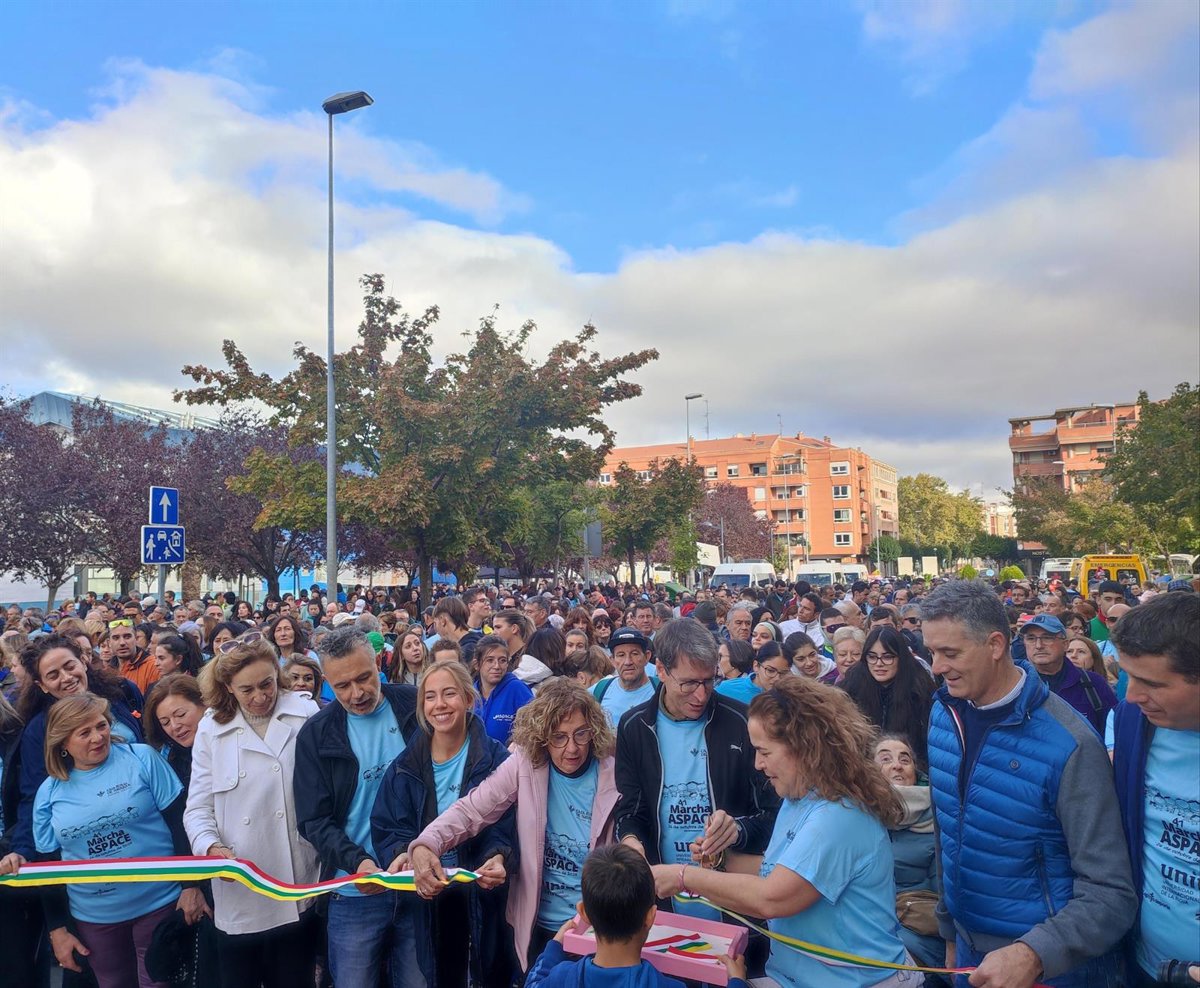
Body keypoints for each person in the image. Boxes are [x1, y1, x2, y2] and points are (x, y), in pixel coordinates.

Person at [921, 581, 1136, 988]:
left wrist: (1034, 953)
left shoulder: (1070, 743)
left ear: (996, 644)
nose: (936, 667)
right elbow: (946, 829)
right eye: (932, 651)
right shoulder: (942, 713)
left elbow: (1111, 892)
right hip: (969, 952)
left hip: (1050, 967)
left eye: (950, 653)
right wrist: (950, 930)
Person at [649, 677, 920, 988]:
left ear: (804, 748)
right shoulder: (799, 799)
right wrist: (719, 858)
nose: (758, 763)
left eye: (764, 751)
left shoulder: (839, 816)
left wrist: (684, 876)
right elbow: (777, 870)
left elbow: (772, 897)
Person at [410, 679, 620, 969]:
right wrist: (427, 843)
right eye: (558, 737)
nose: (572, 748)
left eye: (580, 734)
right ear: (542, 737)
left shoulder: (613, 768)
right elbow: (472, 810)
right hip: (540, 924)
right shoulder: (525, 763)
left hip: (602, 924)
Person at [0, 694, 208, 988]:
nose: (98, 737)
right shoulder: (48, 793)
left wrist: (191, 886)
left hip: (160, 903)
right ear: (63, 744)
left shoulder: (142, 758)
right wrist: (57, 928)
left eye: (101, 726)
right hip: (95, 918)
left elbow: (179, 824)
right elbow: (50, 865)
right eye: (84, 733)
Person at [614, 619, 779, 921]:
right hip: (662, 902)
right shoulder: (633, 726)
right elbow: (630, 809)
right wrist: (631, 842)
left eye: (708, 681)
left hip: (737, 906)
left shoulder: (742, 723)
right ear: (661, 670)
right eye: (689, 683)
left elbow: (774, 814)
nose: (701, 696)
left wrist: (737, 831)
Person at [183, 637, 321, 988]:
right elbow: (197, 807)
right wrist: (211, 850)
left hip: (293, 882)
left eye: (267, 684)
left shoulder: (305, 713)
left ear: (278, 674)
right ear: (228, 686)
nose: (260, 697)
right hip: (240, 886)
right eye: (247, 689)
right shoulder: (211, 728)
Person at [370, 660, 513, 988]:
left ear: (467, 699)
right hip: (429, 893)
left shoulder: (495, 758)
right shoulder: (406, 764)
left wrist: (499, 854)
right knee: (439, 970)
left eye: (449, 694)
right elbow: (388, 822)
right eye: (430, 697)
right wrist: (399, 853)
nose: (440, 705)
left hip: (482, 889)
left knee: (489, 970)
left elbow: (506, 819)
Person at [293, 626, 422, 988]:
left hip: (416, 881)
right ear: (326, 683)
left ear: (380, 662)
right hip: (354, 890)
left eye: (364, 678)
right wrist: (357, 862)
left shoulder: (415, 706)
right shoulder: (317, 734)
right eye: (342, 686)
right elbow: (313, 820)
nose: (357, 693)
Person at [1108, 593, 1200, 988]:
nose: (1130, 696)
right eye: (1129, 677)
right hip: (1147, 966)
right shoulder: (1133, 720)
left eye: (1150, 683)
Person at [525, 844, 748, 988]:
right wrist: (737, 981)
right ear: (651, 916)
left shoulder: (563, 978)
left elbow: (533, 983)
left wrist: (555, 946)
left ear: (584, 913)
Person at [874, 735, 946, 982]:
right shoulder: (856, 814)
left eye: (905, 759)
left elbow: (945, 896)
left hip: (916, 935)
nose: (897, 765)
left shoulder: (937, 820)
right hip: (867, 927)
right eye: (886, 759)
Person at [842, 627, 936, 766]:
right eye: (872, 657)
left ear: (901, 657)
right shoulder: (852, 685)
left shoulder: (920, 688)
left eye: (887, 657)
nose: (879, 664)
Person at [1019, 614, 1116, 736]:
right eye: (1031, 638)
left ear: (1065, 644)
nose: (1038, 645)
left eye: (1047, 638)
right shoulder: (1015, 685)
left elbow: (1113, 732)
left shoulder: (1092, 684)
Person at [144, 673, 206, 790]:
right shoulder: (168, 760)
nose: (174, 726)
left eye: (180, 715)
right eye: (165, 722)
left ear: (204, 703)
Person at [474, 633, 535, 745]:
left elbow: (534, 729)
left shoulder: (517, 689)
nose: (497, 666)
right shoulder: (470, 694)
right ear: (477, 664)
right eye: (490, 660)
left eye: (502, 660)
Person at [592, 628, 656, 728]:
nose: (628, 662)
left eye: (634, 654)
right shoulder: (601, 689)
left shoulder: (661, 689)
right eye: (621, 655)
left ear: (647, 657)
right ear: (612, 660)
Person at [716, 641, 790, 705]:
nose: (777, 678)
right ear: (756, 666)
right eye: (770, 671)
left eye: (783, 673)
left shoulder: (790, 698)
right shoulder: (726, 690)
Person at [111, 617, 160, 696]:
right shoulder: (107, 670)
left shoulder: (153, 666)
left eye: (127, 637)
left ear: (136, 639)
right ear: (109, 642)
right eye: (116, 638)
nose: (122, 642)